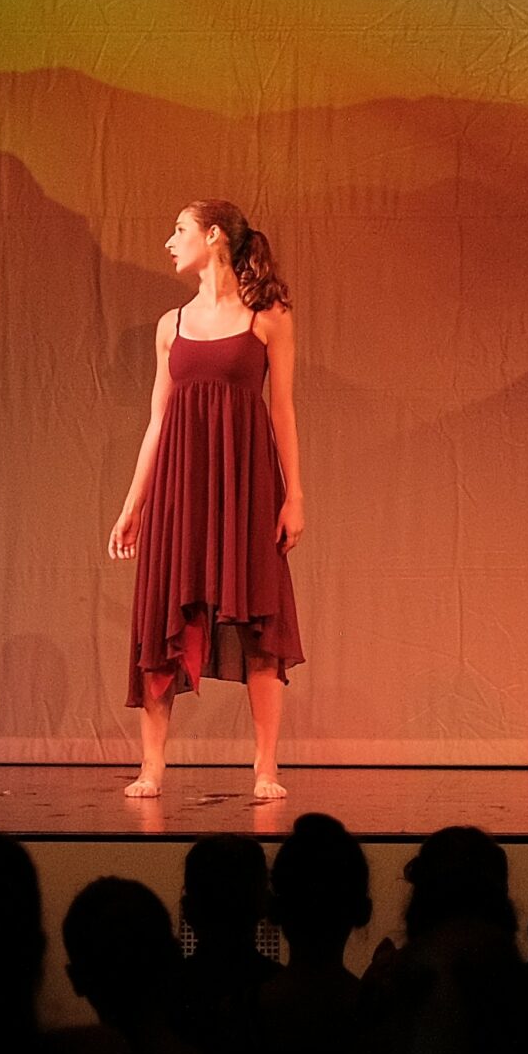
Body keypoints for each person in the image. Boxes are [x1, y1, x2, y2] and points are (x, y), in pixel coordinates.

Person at [110, 201, 305, 801]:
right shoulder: (171, 325)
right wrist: (134, 503)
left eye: (180, 231)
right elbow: (157, 420)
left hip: (245, 486)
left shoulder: (267, 317)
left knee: (258, 618)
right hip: (180, 486)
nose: (170, 242)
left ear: (214, 235)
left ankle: (266, 765)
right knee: (164, 613)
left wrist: (294, 494)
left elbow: (282, 410)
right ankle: (152, 766)